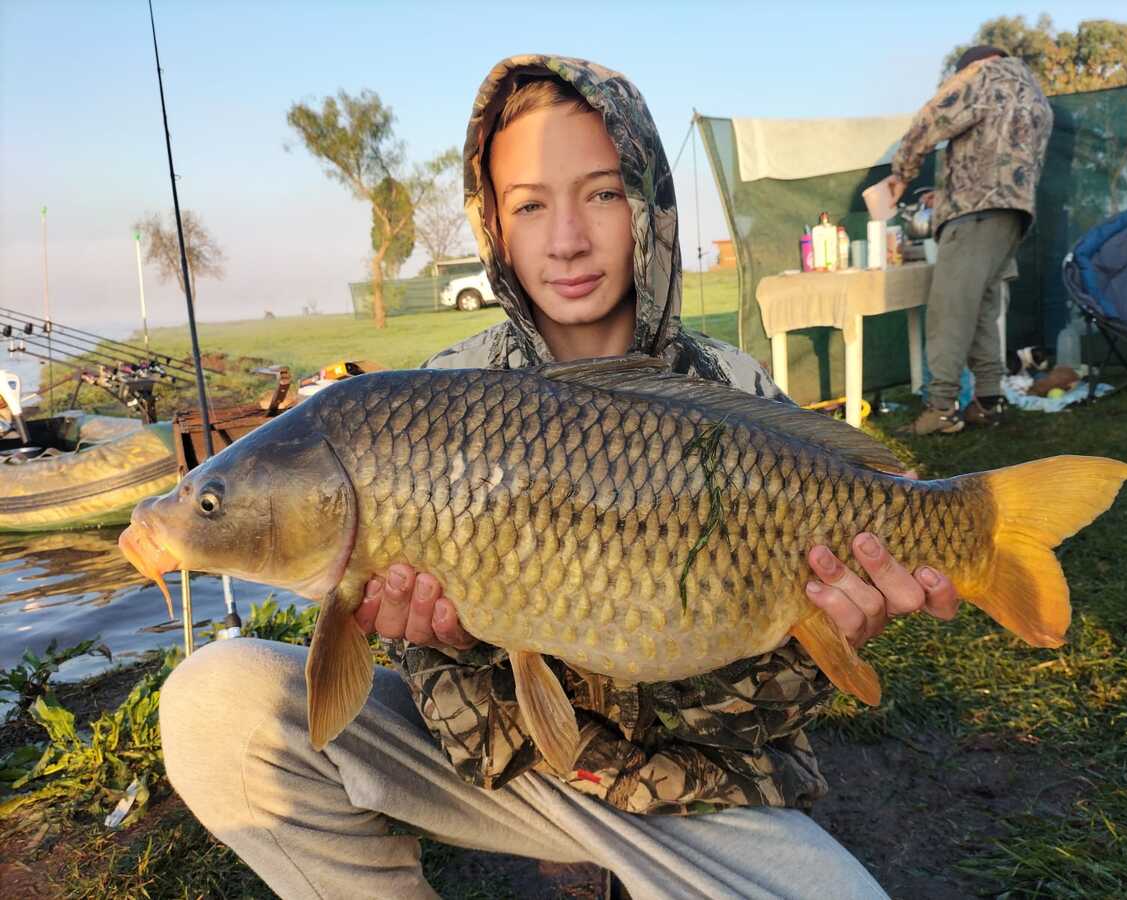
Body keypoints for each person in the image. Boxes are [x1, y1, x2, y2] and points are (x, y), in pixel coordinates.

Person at [161, 56, 960, 899]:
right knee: (218, 705)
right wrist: (443, 639)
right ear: (493, 226)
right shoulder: (433, 397)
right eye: (529, 205)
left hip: (696, 791)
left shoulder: (734, 395)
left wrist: (825, 633)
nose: (567, 238)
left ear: (649, 206)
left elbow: (773, 714)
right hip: (505, 778)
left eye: (603, 193)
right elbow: (433, 691)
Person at [885, 45, 1053, 435]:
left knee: (950, 311)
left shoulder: (981, 76)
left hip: (974, 213)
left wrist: (901, 173)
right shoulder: (1033, 91)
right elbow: (998, 152)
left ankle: (941, 408)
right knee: (982, 310)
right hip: (1013, 212)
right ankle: (989, 401)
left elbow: (932, 118)